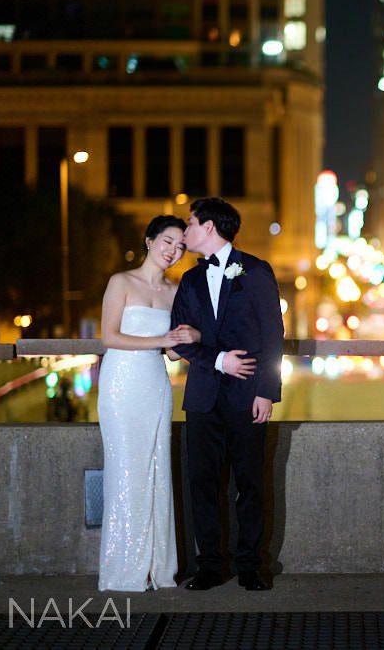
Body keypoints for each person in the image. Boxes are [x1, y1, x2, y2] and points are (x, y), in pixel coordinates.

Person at [170, 197, 284, 592]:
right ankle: (210, 567)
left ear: (209, 228)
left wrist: (267, 392)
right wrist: (219, 361)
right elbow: (180, 340)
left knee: (250, 483)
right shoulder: (189, 280)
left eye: (190, 223)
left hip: (248, 395)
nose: (185, 231)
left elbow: (273, 337)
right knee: (202, 483)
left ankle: (251, 565)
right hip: (202, 396)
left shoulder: (255, 270)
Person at [97, 215, 199, 592]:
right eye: (167, 242)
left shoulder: (175, 293)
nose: (173, 251)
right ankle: (124, 570)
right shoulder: (121, 282)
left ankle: (159, 567)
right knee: (125, 467)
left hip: (156, 384)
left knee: (158, 468)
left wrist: (193, 339)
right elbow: (109, 336)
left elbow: (173, 354)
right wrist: (161, 342)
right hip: (121, 383)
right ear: (149, 240)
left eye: (180, 247)